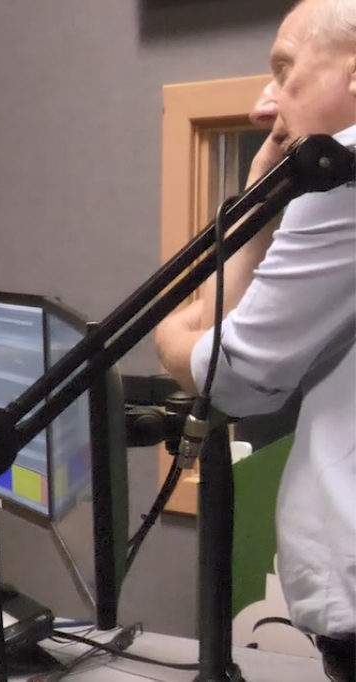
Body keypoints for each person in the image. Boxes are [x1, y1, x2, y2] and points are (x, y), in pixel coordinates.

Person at [154, 0, 355, 679]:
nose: (263, 104)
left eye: (285, 69)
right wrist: (261, 201)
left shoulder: (345, 182)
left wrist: (170, 339)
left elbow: (231, 374)